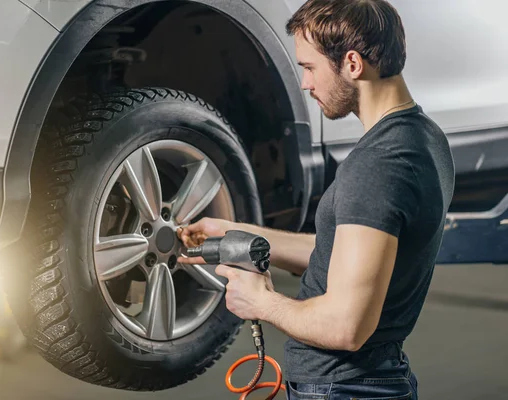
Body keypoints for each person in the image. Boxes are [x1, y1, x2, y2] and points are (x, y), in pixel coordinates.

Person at [177, 0, 455, 399]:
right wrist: (237, 231)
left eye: (309, 67)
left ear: (353, 64)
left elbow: (346, 326)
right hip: (367, 383)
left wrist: (262, 302)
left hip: (343, 388)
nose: (305, 84)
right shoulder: (424, 137)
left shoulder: (379, 164)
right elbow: (346, 253)